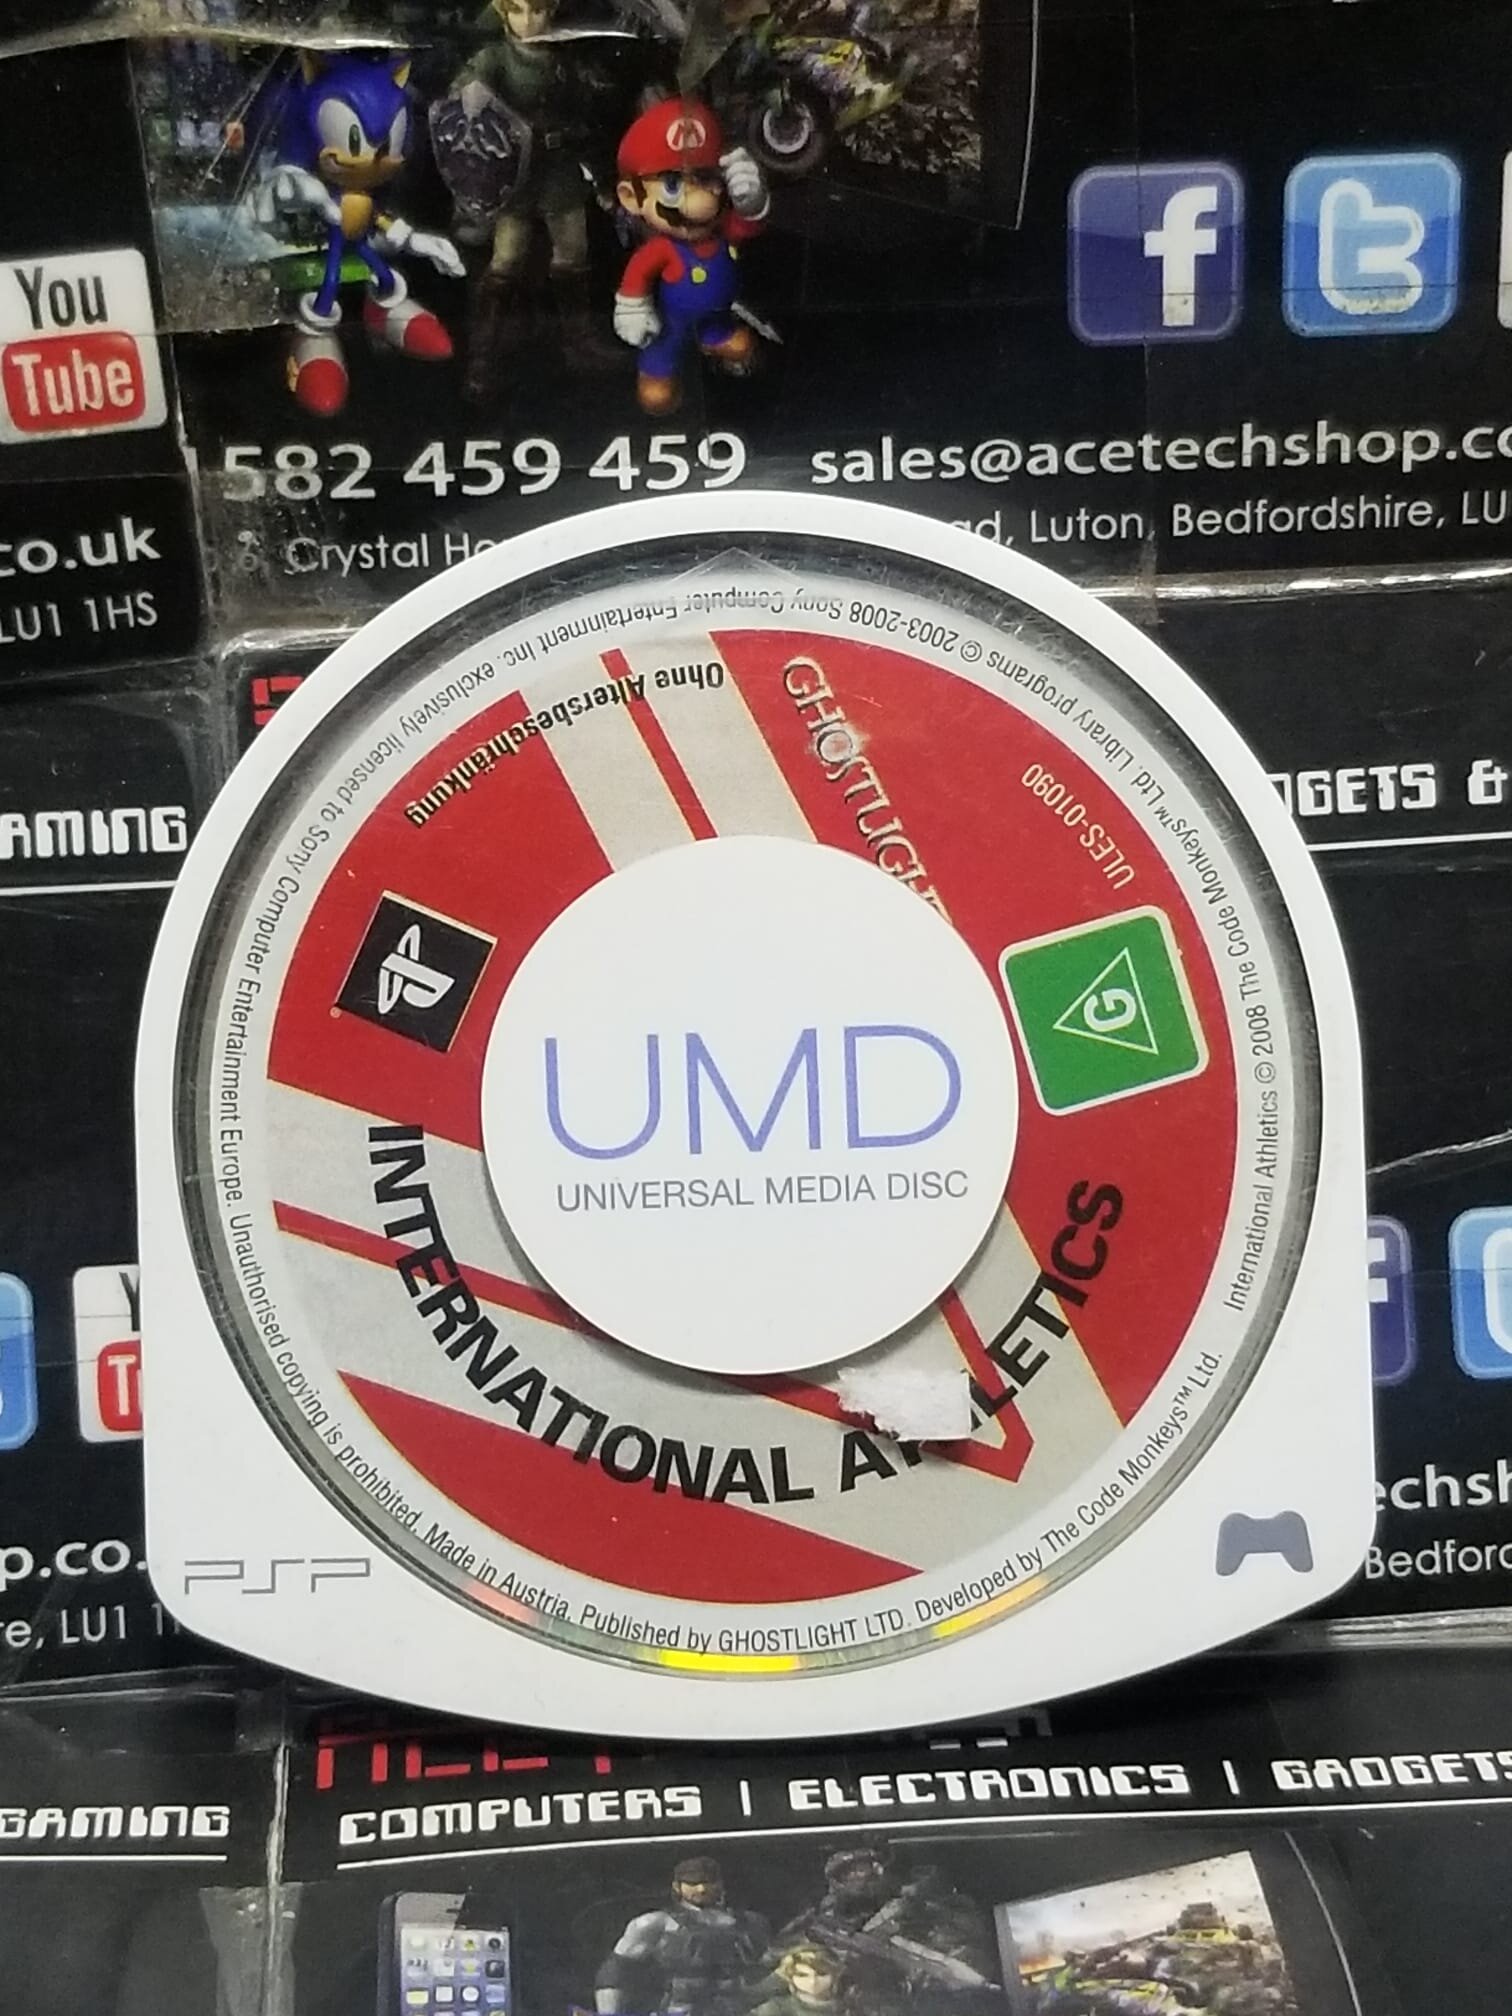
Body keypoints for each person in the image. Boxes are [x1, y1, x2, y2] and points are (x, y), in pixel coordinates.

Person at [612, 94, 768, 414]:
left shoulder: (721, 233)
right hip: (671, 324)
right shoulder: (663, 248)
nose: (701, 200)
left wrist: (752, 202)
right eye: (673, 184)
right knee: (657, 388)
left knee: (739, 344)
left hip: (718, 316)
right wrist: (632, 307)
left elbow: (746, 227)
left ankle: (715, 339)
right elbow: (638, 273)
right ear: (632, 197)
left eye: (708, 179)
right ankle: (659, 368)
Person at [596, 1855, 773, 2016]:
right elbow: (615, 1974)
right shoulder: (655, 1924)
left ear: (720, 1884)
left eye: (709, 1882)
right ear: (677, 1886)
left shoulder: (752, 1924)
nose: (702, 1889)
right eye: (693, 1883)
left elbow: (773, 1972)